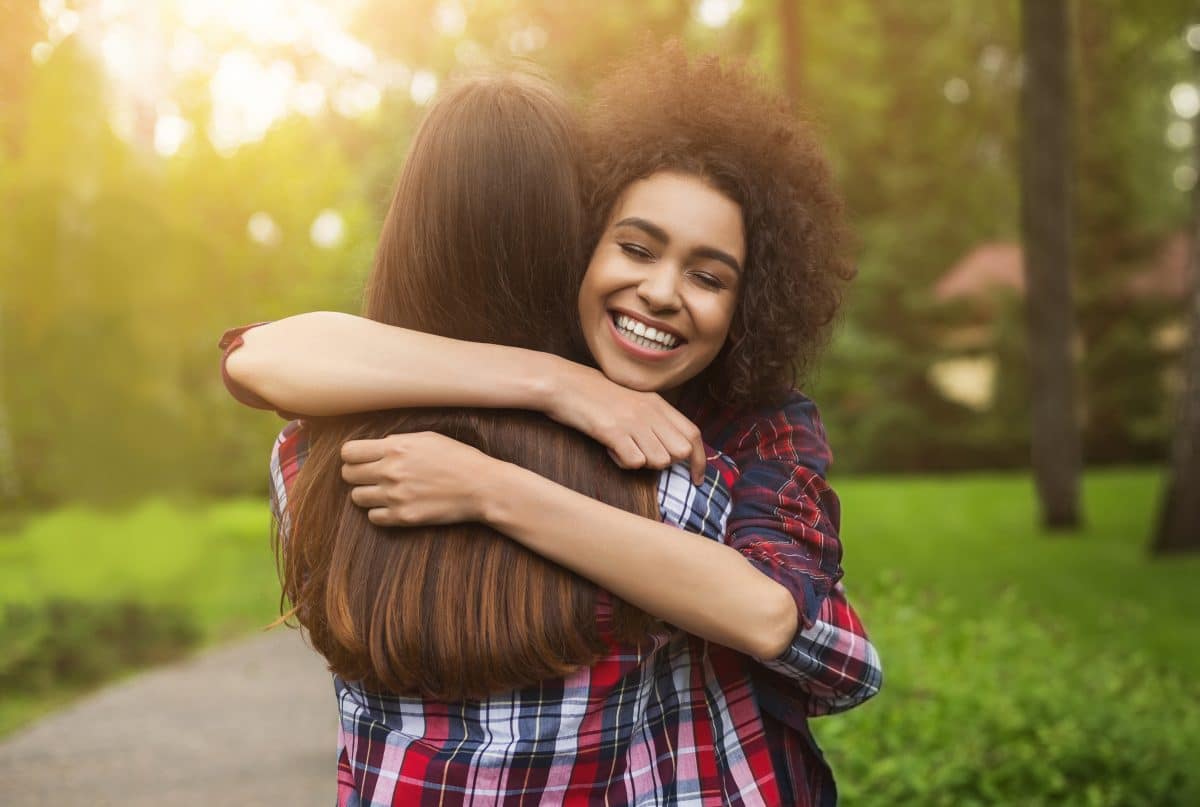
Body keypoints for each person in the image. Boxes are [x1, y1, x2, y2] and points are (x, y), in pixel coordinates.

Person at [223, 45, 880, 805]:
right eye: (634, 246)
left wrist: (490, 489)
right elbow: (256, 355)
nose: (661, 292)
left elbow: (776, 617)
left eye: (707, 275)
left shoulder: (304, 464)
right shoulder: (681, 492)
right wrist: (557, 382)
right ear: (575, 247)